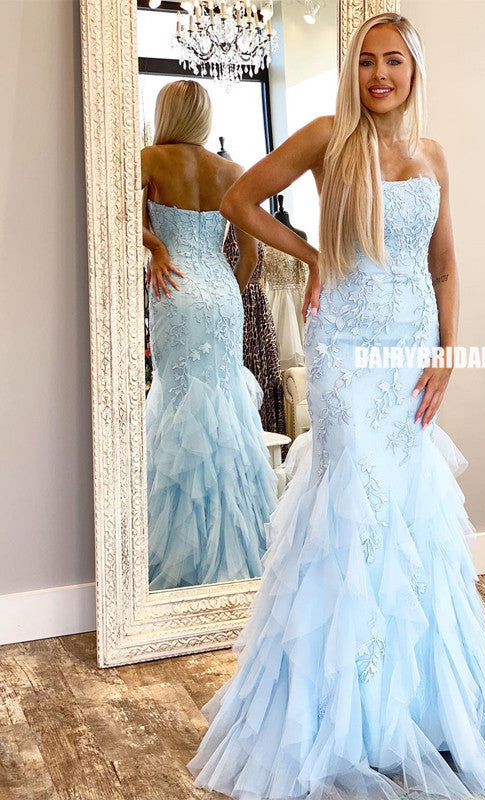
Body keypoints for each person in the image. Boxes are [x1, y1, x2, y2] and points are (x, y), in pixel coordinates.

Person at [186, 13, 485, 798]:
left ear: (414, 70)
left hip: (409, 352)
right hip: (344, 348)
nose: (380, 74)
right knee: (353, 505)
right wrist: (311, 254)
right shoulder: (327, 137)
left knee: (408, 511)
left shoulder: (432, 155)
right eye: (368, 61)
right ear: (355, 71)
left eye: (394, 61)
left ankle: (407, 710)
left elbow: (445, 267)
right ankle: (337, 719)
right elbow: (240, 200)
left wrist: (447, 354)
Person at [141, 80, 278, 589]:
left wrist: (157, 247)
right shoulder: (232, 171)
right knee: (225, 405)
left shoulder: (149, 159)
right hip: (222, 294)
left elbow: (116, 216)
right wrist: (225, 295)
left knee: (179, 399)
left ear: (167, 112)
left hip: (174, 286)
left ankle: (183, 553)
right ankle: (241, 548)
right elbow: (250, 255)